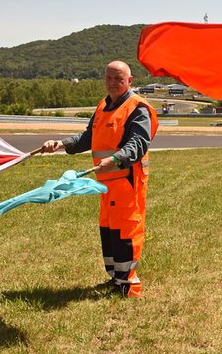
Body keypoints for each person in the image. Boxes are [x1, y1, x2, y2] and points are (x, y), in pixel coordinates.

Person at [39, 61, 157, 297]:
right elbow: (89, 136)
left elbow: (138, 143)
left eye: (118, 79)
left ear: (130, 81)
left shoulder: (137, 108)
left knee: (126, 231)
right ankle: (116, 278)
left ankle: (129, 285)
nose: (113, 83)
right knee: (109, 230)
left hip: (126, 181)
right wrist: (61, 144)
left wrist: (115, 159)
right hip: (105, 183)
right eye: (109, 78)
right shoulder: (104, 105)